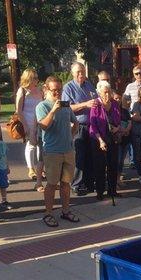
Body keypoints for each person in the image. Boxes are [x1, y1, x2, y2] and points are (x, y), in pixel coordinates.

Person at [36, 76, 79, 228]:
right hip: (52, 151)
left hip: (68, 150)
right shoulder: (42, 106)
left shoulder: (66, 105)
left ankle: (65, 210)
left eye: (59, 90)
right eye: (54, 90)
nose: (57, 93)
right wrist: (53, 110)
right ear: (46, 90)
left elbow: (76, 123)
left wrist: (70, 136)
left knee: (66, 183)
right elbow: (43, 126)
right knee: (52, 184)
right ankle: (48, 213)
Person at [62, 62, 97, 196]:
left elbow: (96, 100)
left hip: (92, 125)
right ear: (73, 73)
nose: (81, 74)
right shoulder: (68, 88)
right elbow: (66, 107)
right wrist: (85, 104)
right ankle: (76, 184)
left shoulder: (89, 85)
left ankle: (89, 182)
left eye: (82, 71)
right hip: (78, 126)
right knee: (79, 156)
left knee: (90, 154)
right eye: (78, 72)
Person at [89, 81, 121, 200]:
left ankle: (112, 190)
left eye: (109, 92)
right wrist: (100, 141)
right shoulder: (96, 105)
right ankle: (100, 192)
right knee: (100, 166)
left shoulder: (114, 104)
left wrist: (117, 128)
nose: (107, 95)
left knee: (113, 165)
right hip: (98, 138)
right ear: (99, 93)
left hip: (112, 137)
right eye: (105, 92)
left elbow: (119, 120)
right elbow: (93, 125)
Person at [16, 68, 43, 182]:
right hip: (28, 120)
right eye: (34, 78)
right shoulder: (22, 91)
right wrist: (25, 125)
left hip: (40, 119)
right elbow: (19, 110)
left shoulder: (39, 90)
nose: (37, 80)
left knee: (40, 144)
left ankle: (39, 168)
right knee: (31, 143)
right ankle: (31, 168)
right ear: (29, 79)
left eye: (37, 78)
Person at [113, 93, 132, 188]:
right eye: (115, 98)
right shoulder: (111, 110)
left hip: (126, 138)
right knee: (117, 160)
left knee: (121, 161)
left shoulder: (124, 111)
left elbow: (129, 121)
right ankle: (114, 181)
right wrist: (120, 130)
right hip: (116, 139)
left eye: (119, 98)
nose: (118, 100)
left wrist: (127, 130)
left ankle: (118, 179)